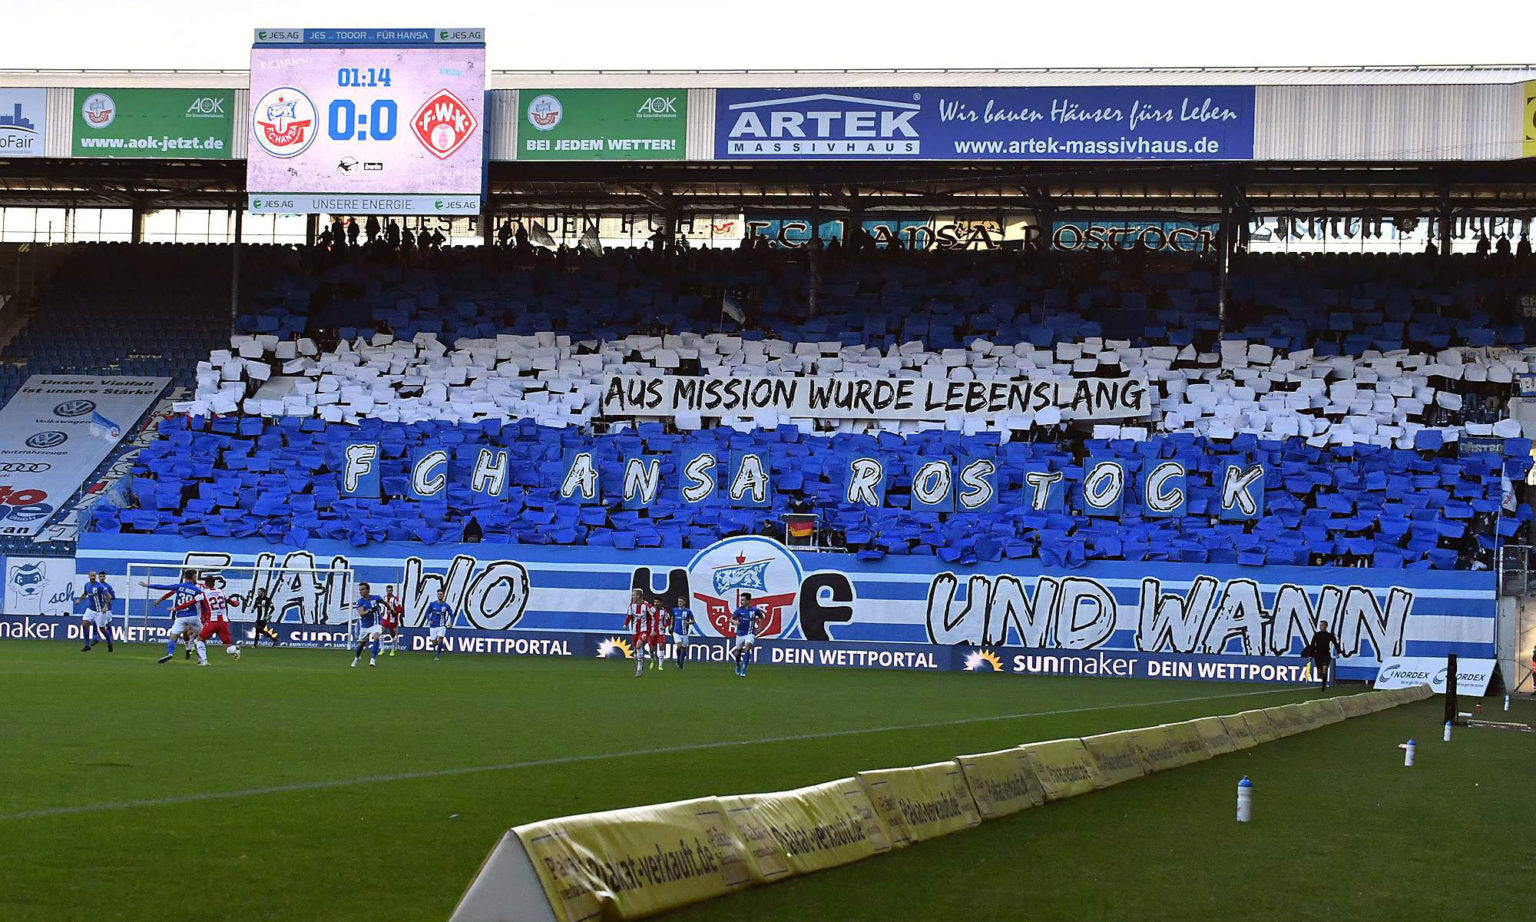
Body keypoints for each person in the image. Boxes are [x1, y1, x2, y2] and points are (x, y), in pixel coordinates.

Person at [142, 570, 204, 665]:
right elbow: (204, 603)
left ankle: (170, 653)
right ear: (194, 577)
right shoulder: (198, 590)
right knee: (202, 636)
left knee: (173, 637)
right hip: (193, 616)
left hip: (181, 616)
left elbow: (163, 587)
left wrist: (147, 585)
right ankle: (200, 657)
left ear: (184, 577)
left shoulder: (179, 586)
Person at [196, 576, 239, 664]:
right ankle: (235, 649)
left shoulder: (204, 593)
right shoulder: (221, 592)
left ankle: (204, 661)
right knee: (227, 646)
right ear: (214, 583)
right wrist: (237, 603)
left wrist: (176, 608)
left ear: (205, 584)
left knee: (200, 639)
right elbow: (233, 603)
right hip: (224, 622)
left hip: (212, 621)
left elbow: (190, 603)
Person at [76, 571, 116, 653]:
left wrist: (105, 606)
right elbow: (85, 593)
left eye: (94, 576)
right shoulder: (87, 585)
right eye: (91, 576)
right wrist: (79, 599)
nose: (93, 577)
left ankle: (109, 642)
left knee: (102, 629)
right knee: (84, 625)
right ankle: (87, 645)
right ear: (89, 576)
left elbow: (108, 596)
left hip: (100, 611)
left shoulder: (100, 586)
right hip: (90, 609)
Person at [349, 582, 383, 668]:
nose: (361, 591)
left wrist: (391, 610)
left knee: (376, 637)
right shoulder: (360, 601)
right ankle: (357, 658)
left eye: (363, 589)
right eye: (360, 589)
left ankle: (373, 659)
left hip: (376, 624)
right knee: (361, 645)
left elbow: (385, 603)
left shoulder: (376, 598)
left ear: (368, 590)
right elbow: (361, 613)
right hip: (365, 626)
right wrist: (370, 610)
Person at [730, 592, 763, 678]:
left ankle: (744, 669)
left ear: (748, 601)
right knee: (738, 652)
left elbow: (761, 617)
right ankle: (738, 664)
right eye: (741, 600)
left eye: (743, 600)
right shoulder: (739, 610)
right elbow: (731, 619)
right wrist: (734, 622)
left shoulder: (754, 610)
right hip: (740, 634)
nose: (741, 602)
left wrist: (759, 628)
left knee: (748, 647)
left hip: (750, 633)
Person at [623, 589, 651, 677]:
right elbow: (629, 616)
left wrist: (654, 628)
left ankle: (639, 669)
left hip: (645, 630)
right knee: (635, 649)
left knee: (639, 645)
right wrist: (625, 624)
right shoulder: (632, 605)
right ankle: (640, 663)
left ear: (639, 596)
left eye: (634, 595)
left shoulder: (647, 605)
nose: (632, 597)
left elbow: (655, 616)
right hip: (635, 630)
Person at [1307, 620, 1341, 689]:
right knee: (1319, 672)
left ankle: (1324, 685)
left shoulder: (1329, 635)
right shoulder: (1316, 635)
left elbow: (1335, 643)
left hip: (1326, 654)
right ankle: (1322, 677)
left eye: (1322, 625)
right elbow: (1312, 645)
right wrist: (1310, 654)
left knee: (1325, 668)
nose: (1321, 627)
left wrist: (1338, 652)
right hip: (1318, 655)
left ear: (1326, 626)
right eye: (1320, 625)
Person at [424, 589, 453, 661]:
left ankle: (437, 655)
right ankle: (440, 647)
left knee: (440, 639)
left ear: (443, 595)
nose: (439, 595)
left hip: (442, 626)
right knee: (434, 642)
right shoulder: (432, 604)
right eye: (438, 594)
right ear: (437, 595)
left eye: (441, 594)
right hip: (433, 626)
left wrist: (451, 622)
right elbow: (427, 613)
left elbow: (451, 615)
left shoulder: (446, 606)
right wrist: (429, 620)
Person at [670, 595, 696, 671]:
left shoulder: (688, 611)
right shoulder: (675, 610)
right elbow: (672, 617)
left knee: (684, 650)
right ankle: (678, 659)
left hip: (684, 633)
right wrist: (671, 625)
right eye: (678, 601)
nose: (679, 603)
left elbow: (693, 621)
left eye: (681, 601)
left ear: (684, 602)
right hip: (676, 632)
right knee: (679, 646)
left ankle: (681, 662)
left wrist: (688, 622)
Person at [380, 585, 403, 657]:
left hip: (392, 619)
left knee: (392, 634)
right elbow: (383, 607)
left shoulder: (395, 599)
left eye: (390, 590)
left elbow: (400, 609)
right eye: (387, 590)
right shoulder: (384, 597)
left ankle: (393, 649)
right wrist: (382, 613)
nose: (388, 592)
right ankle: (382, 649)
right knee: (381, 632)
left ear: (392, 591)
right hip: (385, 618)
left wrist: (393, 612)